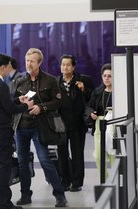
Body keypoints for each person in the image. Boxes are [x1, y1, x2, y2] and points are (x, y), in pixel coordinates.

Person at [13, 48, 68, 207]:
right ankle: (25, 195)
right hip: (21, 126)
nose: (28, 64)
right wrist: (19, 101)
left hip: (40, 126)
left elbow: (58, 102)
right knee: (22, 162)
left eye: (32, 61)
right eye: (27, 60)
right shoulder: (19, 80)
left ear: (39, 63)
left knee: (45, 160)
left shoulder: (50, 80)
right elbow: (12, 102)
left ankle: (59, 195)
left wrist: (41, 107)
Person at [0, 53, 34, 209]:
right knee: (3, 167)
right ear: (3, 67)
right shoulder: (1, 85)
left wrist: (18, 99)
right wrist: (26, 106)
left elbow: (0, 104)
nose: (9, 71)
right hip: (1, 132)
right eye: (8, 67)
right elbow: (10, 110)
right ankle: (4, 203)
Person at [56, 54, 95, 192]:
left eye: (68, 64)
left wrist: (84, 89)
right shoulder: (56, 82)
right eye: (62, 64)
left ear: (73, 67)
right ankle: (64, 180)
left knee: (77, 153)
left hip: (78, 124)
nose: (65, 67)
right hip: (61, 124)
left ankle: (77, 182)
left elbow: (92, 98)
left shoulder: (83, 80)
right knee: (62, 154)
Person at [84, 63, 114, 177]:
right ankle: (105, 180)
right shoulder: (98, 91)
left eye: (110, 76)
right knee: (98, 155)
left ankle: (117, 182)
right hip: (99, 125)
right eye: (105, 75)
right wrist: (91, 113)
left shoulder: (119, 92)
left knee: (113, 154)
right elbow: (89, 106)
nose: (106, 78)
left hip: (113, 125)